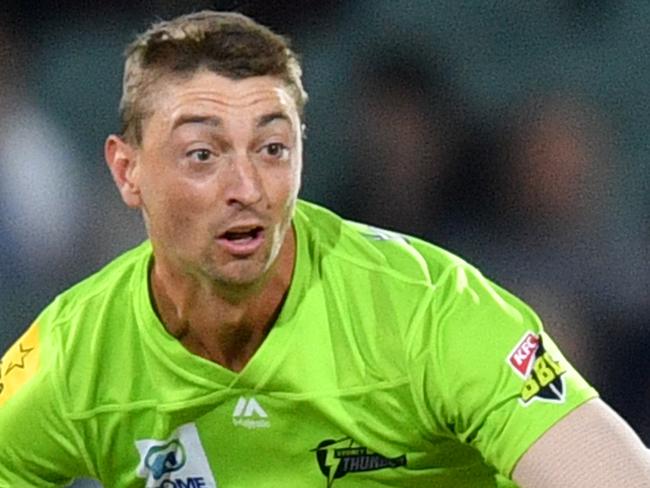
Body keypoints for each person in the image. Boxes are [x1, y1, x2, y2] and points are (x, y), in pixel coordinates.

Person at [0, 11, 648, 488]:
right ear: (128, 171)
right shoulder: (73, 354)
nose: (247, 188)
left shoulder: (428, 311)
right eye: (202, 154)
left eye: (273, 147)